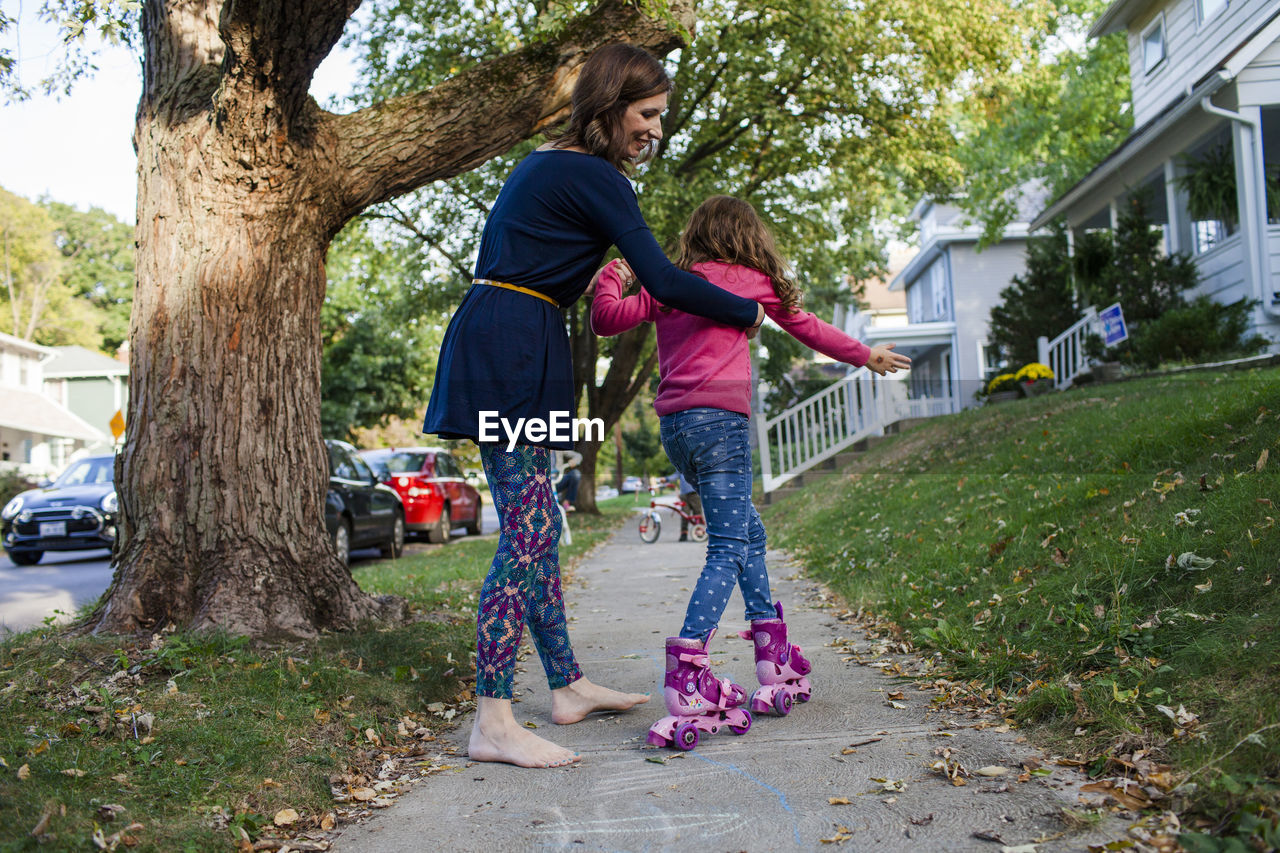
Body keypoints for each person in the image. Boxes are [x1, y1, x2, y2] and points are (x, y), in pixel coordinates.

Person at [420, 46, 768, 769]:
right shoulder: (592, 173)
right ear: (609, 109)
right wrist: (746, 310)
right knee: (529, 525)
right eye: (647, 115)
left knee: (539, 521)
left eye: (663, 117)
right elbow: (665, 280)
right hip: (510, 347)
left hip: (527, 337)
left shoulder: (554, 163)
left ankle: (568, 686)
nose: (657, 130)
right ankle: (491, 718)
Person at [591, 195, 911, 743]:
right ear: (748, 236)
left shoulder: (669, 282)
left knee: (747, 535)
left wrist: (609, 278)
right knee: (727, 546)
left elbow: (605, 320)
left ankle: (772, 650)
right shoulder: (750, 280)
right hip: (721, 426)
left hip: (678, 432)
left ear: (697, 233)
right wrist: (864, 355)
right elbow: (806, 327)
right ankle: (689, 666)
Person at [676, 472, 701, 542]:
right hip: (684, 495)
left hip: (694, 493)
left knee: (697, 512)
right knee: (684, 514)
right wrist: (666, 479)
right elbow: (675, 475)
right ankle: (684, 533)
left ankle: (699, 531)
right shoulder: (680, 465)